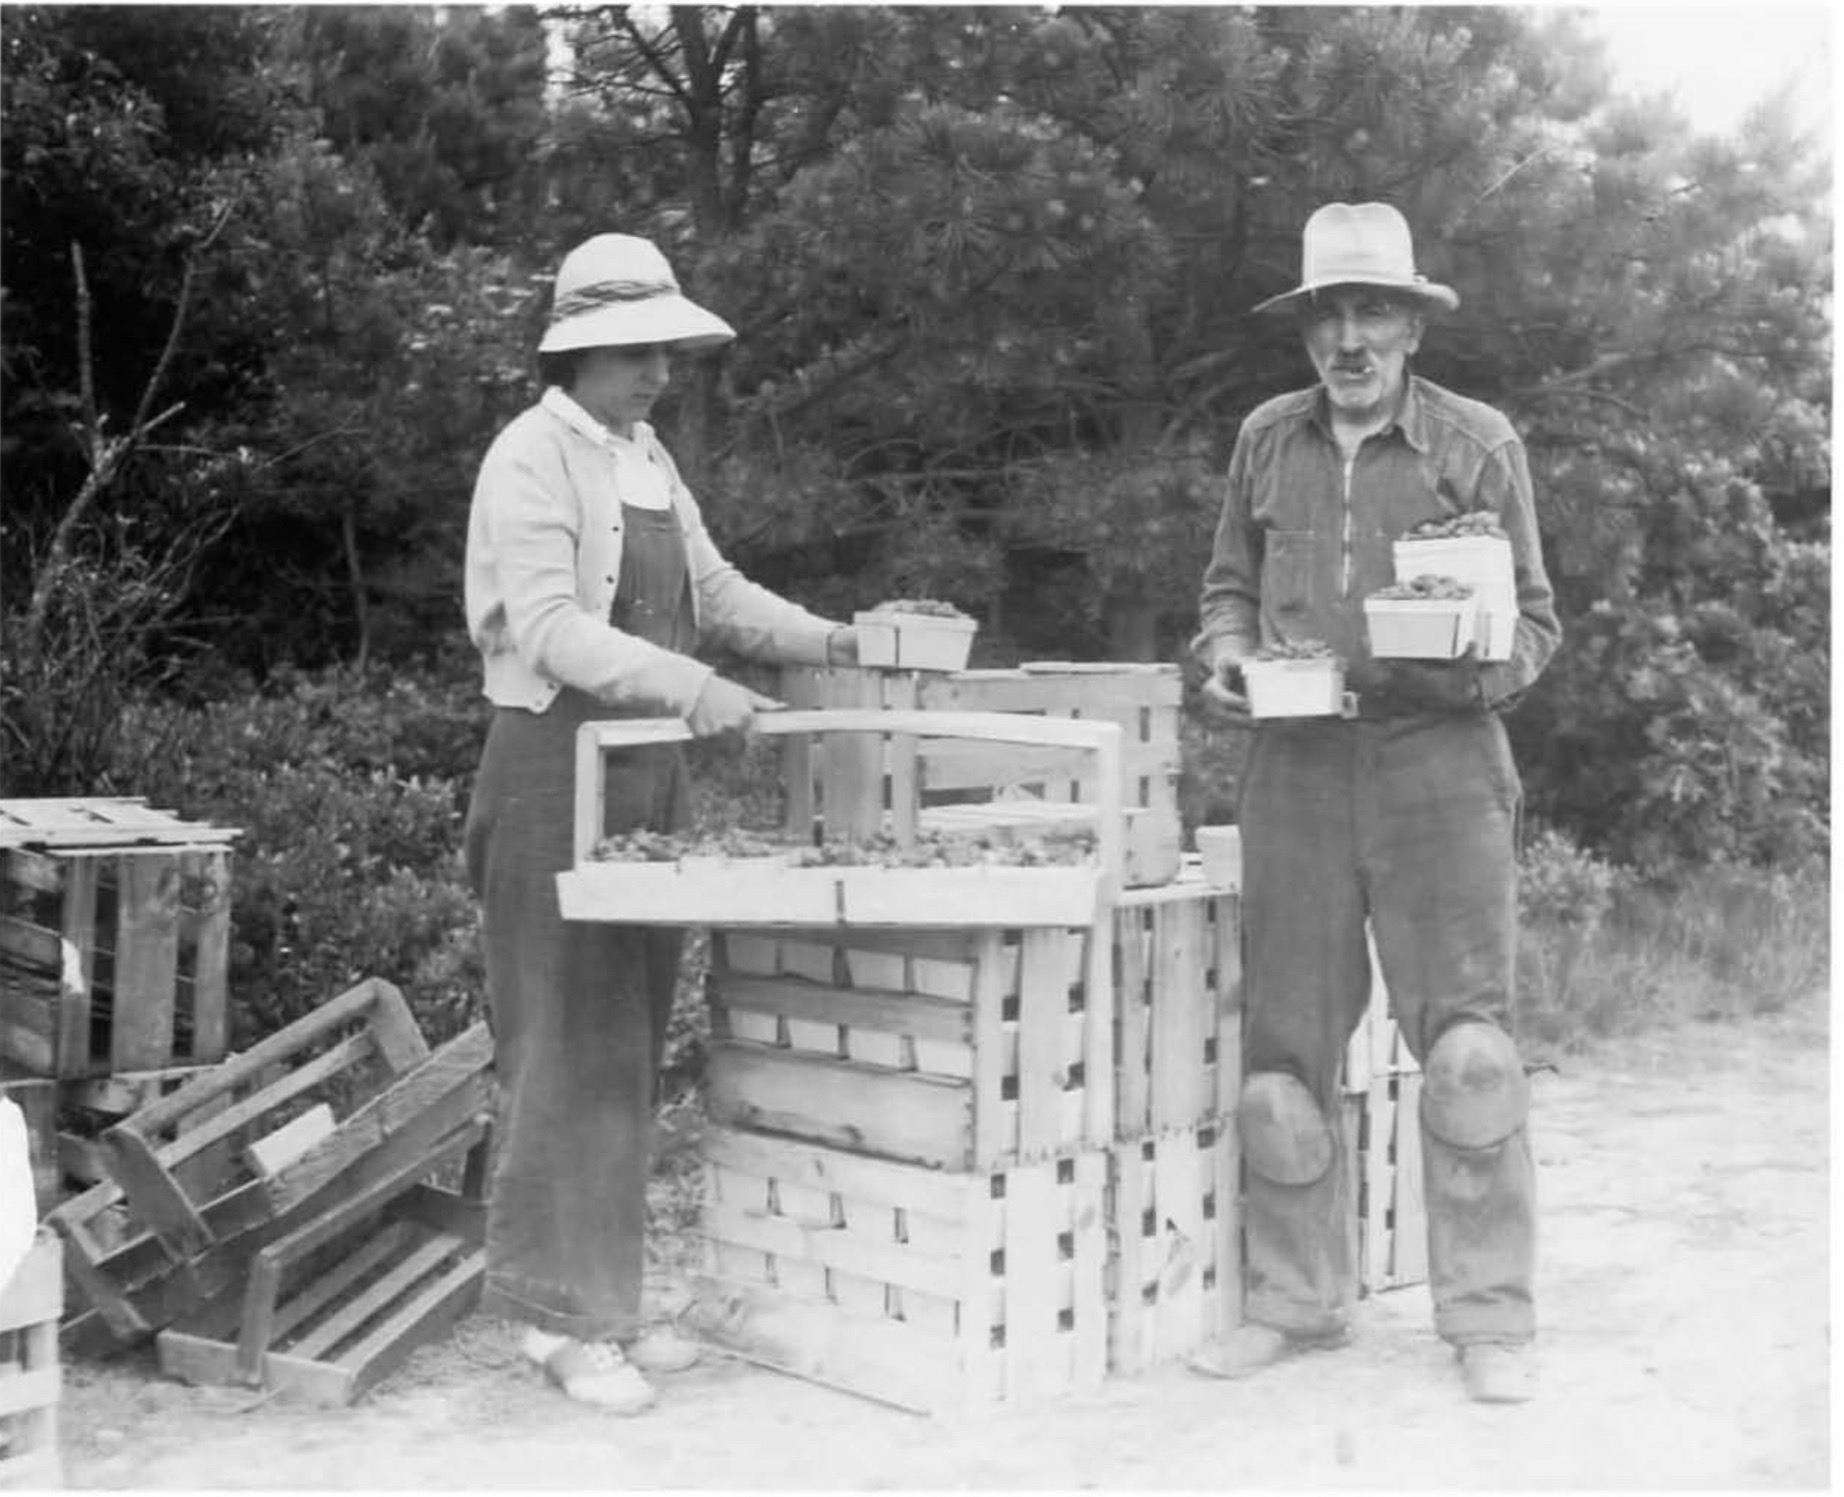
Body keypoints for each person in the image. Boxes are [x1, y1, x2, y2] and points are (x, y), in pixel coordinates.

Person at [462, 232, 858, 1413]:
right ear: (576, 354)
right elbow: (549, 628)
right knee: (557, 1046)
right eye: (634, 353)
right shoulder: (527, 460)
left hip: (646, 779)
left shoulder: (647, 458)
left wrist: (832, 638)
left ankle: (610, 1306)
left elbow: (714, 593)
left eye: (665, 353)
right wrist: (692, 688)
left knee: (627, 1044)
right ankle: (554, 1323)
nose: (655, 374)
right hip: (549, 771)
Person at [1189, 202, 1561, 1404]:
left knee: (1466, 1056)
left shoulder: (1474, 444)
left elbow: (1539, 625)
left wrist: (1470, 661)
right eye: (1329, 316)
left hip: (1437, 771)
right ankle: (1298, 1304)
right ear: (1305, 331)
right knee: (1281, 1063)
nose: (1349, 339)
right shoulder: (1263, 440)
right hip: (1292, 769)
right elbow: (1225, 593)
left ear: (1409, 325)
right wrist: (1226, 658)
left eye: (1373, 314)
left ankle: (1486, 1318)